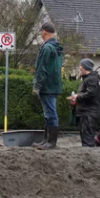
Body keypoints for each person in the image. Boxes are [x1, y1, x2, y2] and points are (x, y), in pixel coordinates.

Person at [31, 22, 63, 150]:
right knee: (48, 113)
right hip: (53, 84)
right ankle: (46, 141)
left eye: (41, 32)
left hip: (47, 86)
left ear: (44, 32)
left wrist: (37, 86)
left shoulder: (47, 48)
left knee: (50, 113)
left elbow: (42, 69)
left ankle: (51, 142)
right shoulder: (56, 47)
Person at [71, 59, 100, 147]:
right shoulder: (88, 79)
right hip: (86, 111)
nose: (79, 67)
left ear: (85, 67)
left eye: (81, 65)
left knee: (87, 138)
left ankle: (89, 156)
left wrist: (78, 96)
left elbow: (91, 93)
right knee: (86, 137)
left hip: (88, 112)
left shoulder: (91, 79)